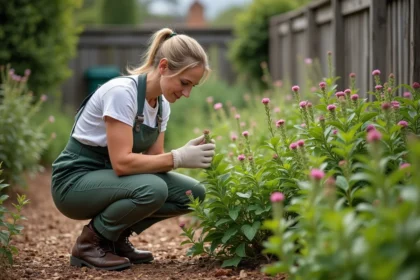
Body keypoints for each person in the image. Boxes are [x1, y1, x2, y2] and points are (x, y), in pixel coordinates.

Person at [51, 28, 216, 271]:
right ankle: (89, 244)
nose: (187, 93)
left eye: (192, 86)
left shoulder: (161, 106)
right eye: (184, 82)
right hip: (74, 182)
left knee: (193, 194)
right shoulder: (122, 93)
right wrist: (178, 157)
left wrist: (180, 153)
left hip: (109, 180)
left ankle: (114, 239)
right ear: (163, 66)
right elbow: (123, 163)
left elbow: (153, 162)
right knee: (153, 189)